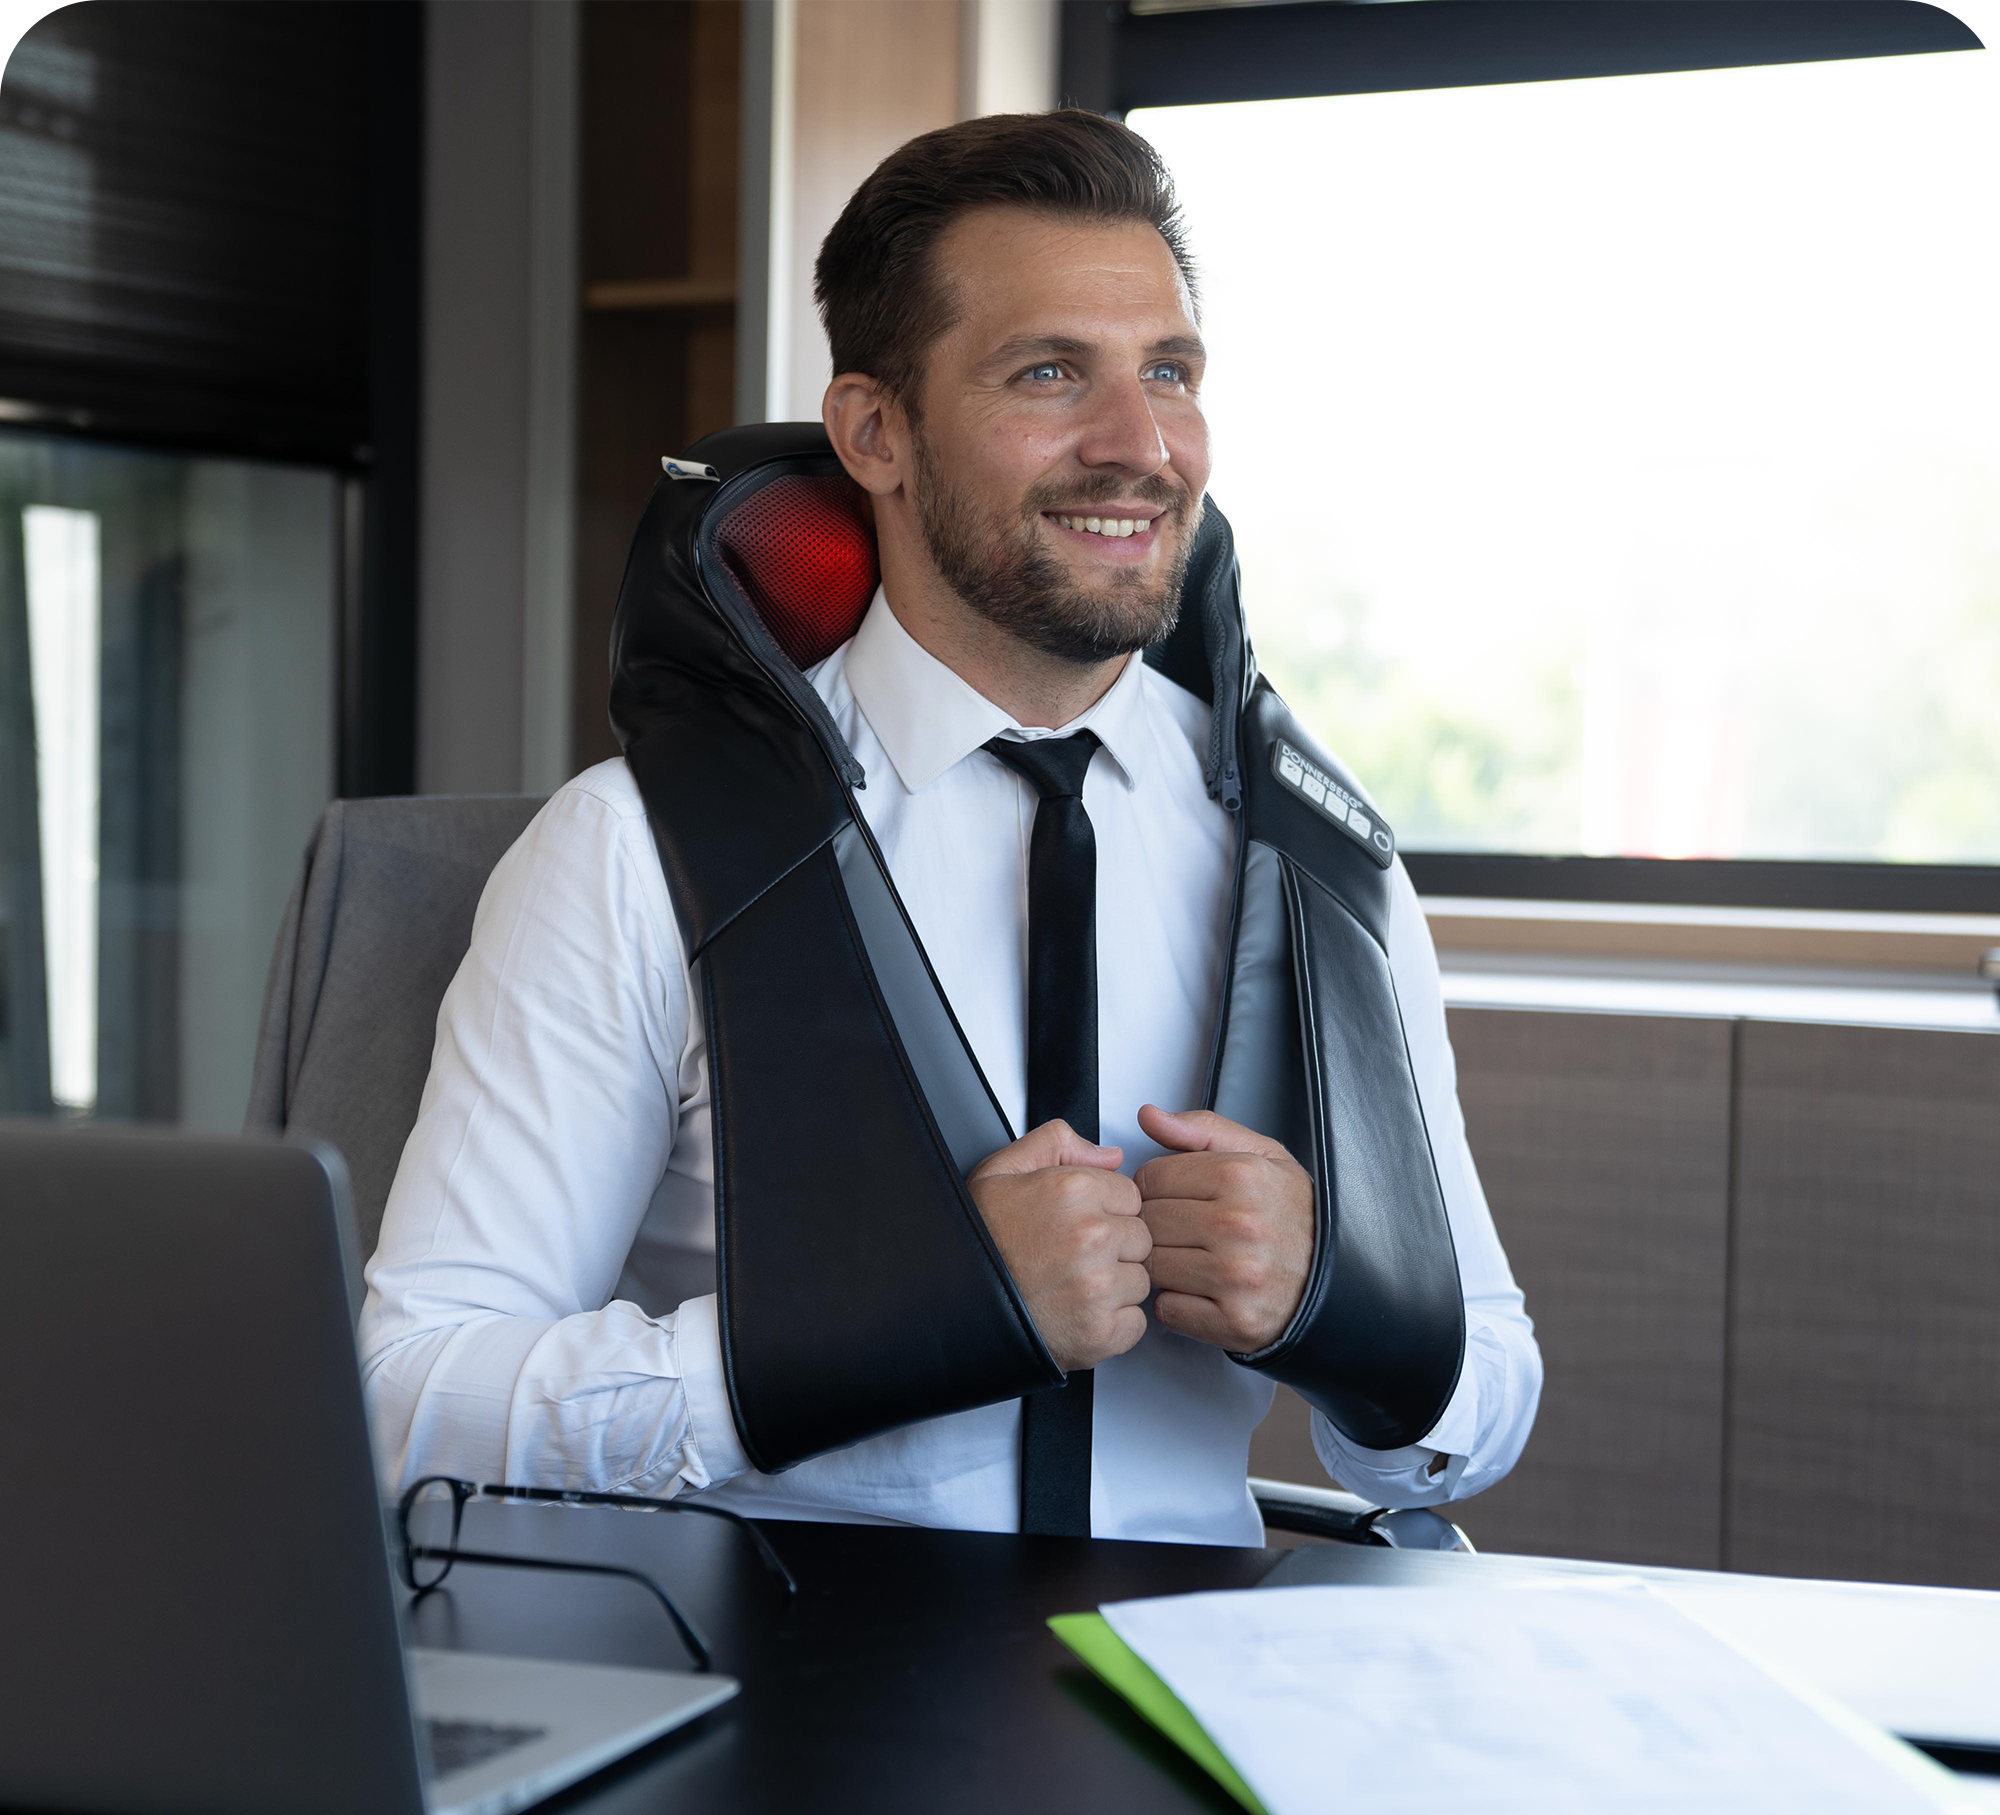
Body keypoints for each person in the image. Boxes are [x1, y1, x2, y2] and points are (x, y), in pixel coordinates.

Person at [361, 110, 1539, 1544]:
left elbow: (1477, 1411)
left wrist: (1346, 1303)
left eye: (1169, 373)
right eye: (1050, 372)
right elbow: (402, 1400)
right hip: (781, 1705)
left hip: (1206, 1688)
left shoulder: (1321, 866)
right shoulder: (632, 855)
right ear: (875, 431)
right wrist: (867, 1324)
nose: (1141, 447)